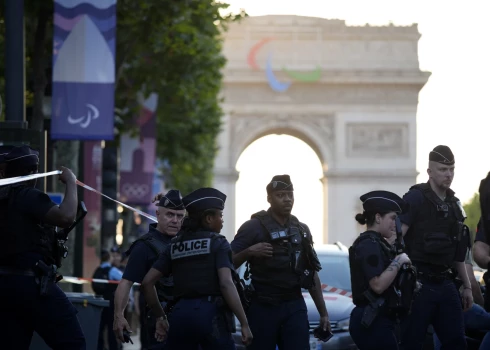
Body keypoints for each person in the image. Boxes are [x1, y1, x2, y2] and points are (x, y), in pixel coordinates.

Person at [141, 187, 253, 349]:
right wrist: (244, 323)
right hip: (211, 316)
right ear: (208, 218)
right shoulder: (218, 243)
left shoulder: (174, 245)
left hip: (179, 316)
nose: (222, 220)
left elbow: (147, 283)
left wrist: (161, 316)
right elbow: (226, 284)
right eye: (219, 216)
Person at [0, 145, 85, 349]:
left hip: (4, 287)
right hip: (32, 286)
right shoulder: (27, 196)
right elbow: (66, 217)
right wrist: (71, 182)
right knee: (73, 343)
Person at [230, 175, 330, 350]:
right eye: (281, 195)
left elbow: (311, 273)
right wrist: (249, 252)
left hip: (294, 305)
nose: (287, 199)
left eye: (290, 194)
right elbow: (227, 262)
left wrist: (323, 313)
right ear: (269, 198)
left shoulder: (301, 229)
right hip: (263, 306)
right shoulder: (253, 227)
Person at [399, 145, 473, 350]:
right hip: (418, 285)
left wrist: (467, 287)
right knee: (411, 343)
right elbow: (396, 241)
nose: (448, 174)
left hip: (446, 284)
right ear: (429, 172)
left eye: (451, 169)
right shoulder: (415, 198)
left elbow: (459, 253)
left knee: (457, 343)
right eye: (443, 169)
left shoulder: (454, 204)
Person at [113, 190, 185, 349]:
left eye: (180, 216)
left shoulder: (184, 241)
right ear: (158, 214)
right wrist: (119, 316)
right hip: (157, 318)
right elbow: (126, 283)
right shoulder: (144, 246)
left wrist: (167, 198)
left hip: (185, 317)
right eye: (170, 215)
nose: (175, 220)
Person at [348, 190, 413, 349]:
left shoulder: (379, 244)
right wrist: (399, 260)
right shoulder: (368, 244)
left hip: (381, 318)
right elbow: (377, 285)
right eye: (392, 218)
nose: (395, 224)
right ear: (378, 217)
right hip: (371, 320)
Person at [95, 249, 123, 350]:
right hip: (111, 303)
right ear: (109, 258)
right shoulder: (112, 270)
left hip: (98, 302)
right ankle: (114, 348)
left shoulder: (98, 270)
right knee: (112, 328)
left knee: (100, 328)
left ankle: (99, 347)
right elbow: (125, 280)